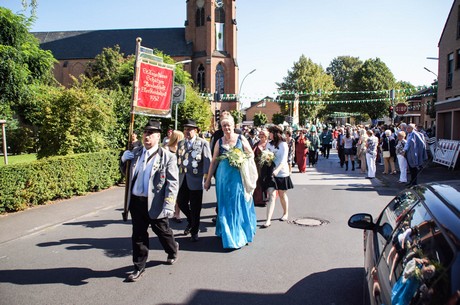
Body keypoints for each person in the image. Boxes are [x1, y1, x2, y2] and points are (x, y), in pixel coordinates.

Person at [120, 119, 179, 282]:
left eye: (151, 133)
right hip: (137, 202)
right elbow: (126, 174)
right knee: (138, 235)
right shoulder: (136, 152)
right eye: (145, 132)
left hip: (156, 202)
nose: (147, 136)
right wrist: (124, 160)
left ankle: (172, 249)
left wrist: (169, 203)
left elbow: (172, 182)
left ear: (158, 137)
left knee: (162, 231)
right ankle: (138, 266)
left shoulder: (167, 157)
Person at [204, 115, 257, 249]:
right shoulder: (219, 142)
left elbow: (251, 154)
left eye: (229, 125)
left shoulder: (241, 138)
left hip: (237, 176)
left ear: (234, 126)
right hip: (222, 177)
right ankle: (227, 232)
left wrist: (240, 158)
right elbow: (214, 161)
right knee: (225, 204)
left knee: (237, 203)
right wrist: (208, 179)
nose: (226, 128)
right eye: (224, 126)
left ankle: (239, 233)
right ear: (221, 128)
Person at [176, 119, 211, 242]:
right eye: (185, 129)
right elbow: (177, 161)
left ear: (195, 130)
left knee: (196, 208)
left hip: (196, 180)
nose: (187, 131)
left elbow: (207, 161)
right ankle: (191, 221)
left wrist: (207, 179)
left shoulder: (202, 143)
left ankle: (194, 231)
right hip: (182, 178)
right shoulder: (181, 144)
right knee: (181, 202)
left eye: (190, 129)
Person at [262, 125, 294, 228]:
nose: (269, 135)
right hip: (271, 173)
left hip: (281, 173)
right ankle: (268, 220)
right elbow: (266, 156)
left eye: (270, 133)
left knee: (281, 194)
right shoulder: (269, 144)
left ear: (275, 133)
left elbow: (284, 160)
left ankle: (285, 213)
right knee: (271, 195)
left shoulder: (284, 144)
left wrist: (277, 170)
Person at [163, 130, 185, 222]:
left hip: (179, 173)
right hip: (168, 173)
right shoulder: (167, 148)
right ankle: (167, 211)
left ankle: (177, 214)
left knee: (178, 194)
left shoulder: (182, 148)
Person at [253, 129, 269, 206]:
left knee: (265, 181)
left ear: (266, 136)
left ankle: (266, 198)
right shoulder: (256, 144)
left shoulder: (269, 144)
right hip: (257, 165)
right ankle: (258, 199)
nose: (261, 137)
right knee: (258, 181)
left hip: (266, 166)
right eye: (260, 135)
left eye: (263, 135)